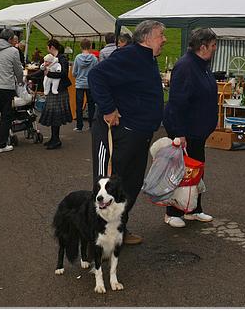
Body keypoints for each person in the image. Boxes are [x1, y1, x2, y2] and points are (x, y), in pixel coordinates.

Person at [88, 20, 166, 245]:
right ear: (147, 37)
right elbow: (97, 76)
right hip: (117, 134)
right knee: (107, 184)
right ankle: (98, 237)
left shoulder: (148, 59)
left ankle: (119, 229)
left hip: (139, 134)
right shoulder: (130, 55)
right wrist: (108, 108)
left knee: (130, 185)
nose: (164, 40)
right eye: (161, 35)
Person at [162, 28, 219, 228]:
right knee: (180, 172)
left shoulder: (202, 65)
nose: (214, 49)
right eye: (213, 46)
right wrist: (179, 133)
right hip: (186, 130)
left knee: (196, 171)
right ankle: (172, 211)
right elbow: (177, 102)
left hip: (198, 131)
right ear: (202, 47)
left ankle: (193, 209)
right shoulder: (186, 66)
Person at [0, 28, 24, 153]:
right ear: (10, 39)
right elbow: (18, 69)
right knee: (6, 116)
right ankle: (0, 144)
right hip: (6, 87)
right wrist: (20, 80)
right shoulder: (13, 51)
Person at [39, 39, 72, 150]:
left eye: (47, 47)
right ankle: (54, 138)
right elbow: (44, 70)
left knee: (56, 115)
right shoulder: (52, 58)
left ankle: (56, 140)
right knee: (53, 115)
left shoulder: (62, 58)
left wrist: (49, 73)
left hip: (59, 90)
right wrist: (31, 76)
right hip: (55, 90)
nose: (47, 49)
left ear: (52, 47)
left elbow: (63, 73)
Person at [72, 38, 98, 132]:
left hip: (79, 84)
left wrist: (78, 76)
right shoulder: (94, 58)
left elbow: (74, 72)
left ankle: (79, 126)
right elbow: (96, 72)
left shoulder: (78, 58)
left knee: (79, 105)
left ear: (80, 47)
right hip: (90, 84)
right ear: (90, 46)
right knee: (91, 105)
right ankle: (91, 125)